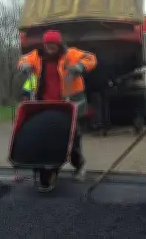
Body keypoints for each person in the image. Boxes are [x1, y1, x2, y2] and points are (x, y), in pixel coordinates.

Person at [18, 30, 97, 192]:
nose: (50, 47)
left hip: (67, 105)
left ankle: (79, 165)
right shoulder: (36, 56)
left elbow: (91, 58)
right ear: (44, 44)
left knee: (72, 138)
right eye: (48, 44)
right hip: (44, 105)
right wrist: (23, 65)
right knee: (45, 138)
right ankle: (47, 169)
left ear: (59, 44)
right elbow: (23, 60)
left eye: (53, 44)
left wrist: (80, 66)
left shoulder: (71, 54)